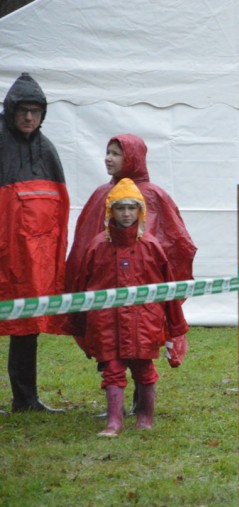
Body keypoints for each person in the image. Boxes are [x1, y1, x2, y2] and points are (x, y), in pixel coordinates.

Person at [65, 133, 196, 414]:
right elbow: (86, 241)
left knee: (142, 350)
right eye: (107, 152)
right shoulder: (102, 195)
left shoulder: (153, 195)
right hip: (108, 294)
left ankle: (141, 404)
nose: (108, 158)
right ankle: (117, 407)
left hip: (143, 297)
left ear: (132, 157)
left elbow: (174, 241)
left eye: (116, 153)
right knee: (111, 346)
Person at [0, 72, 70, 413]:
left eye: (36, 111)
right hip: (4, 251)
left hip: (29, 257)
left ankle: (25, 399)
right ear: (11, 110)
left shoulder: (47, 150)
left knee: (25, 325)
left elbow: (58, 208)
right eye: (23, 110)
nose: (29, 117)